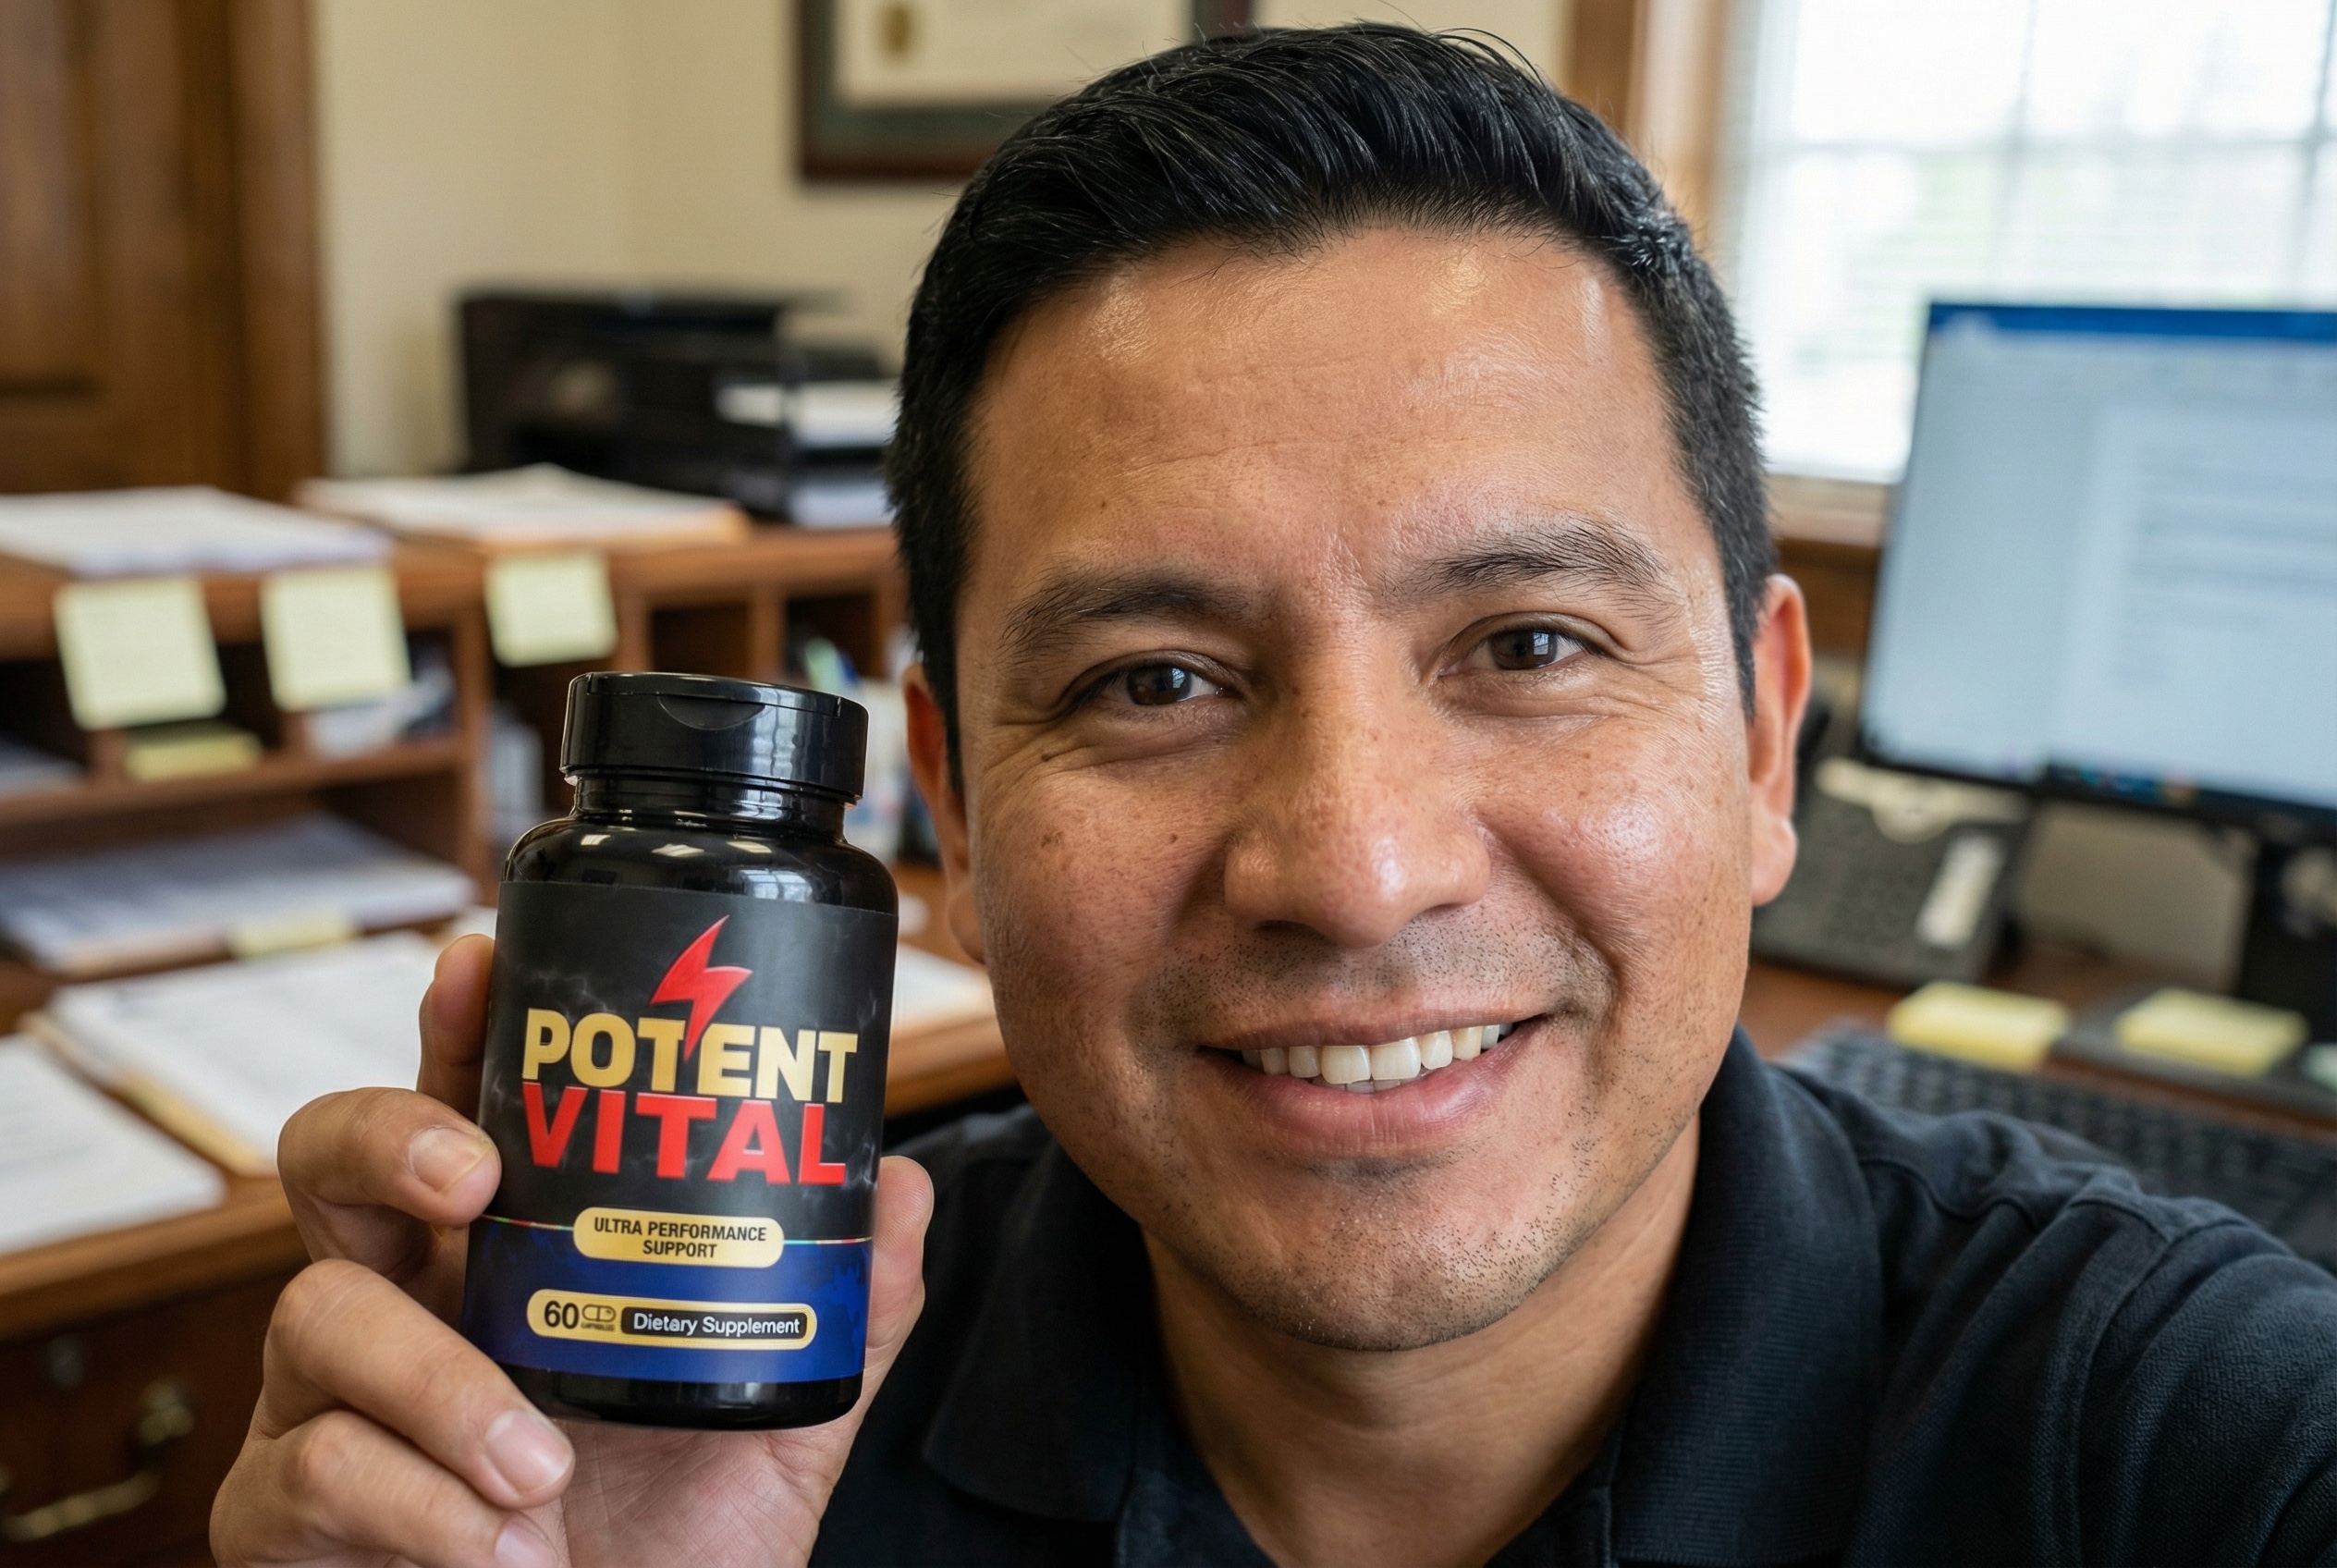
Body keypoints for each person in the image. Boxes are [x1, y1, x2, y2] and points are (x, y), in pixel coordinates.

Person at [212, 25, 2337, 1568]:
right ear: (950, 809)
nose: (1355, 865)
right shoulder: (732, 1394)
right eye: (1152, 680)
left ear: (1766, 738)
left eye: (1527, 642)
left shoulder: (2188, 1438)